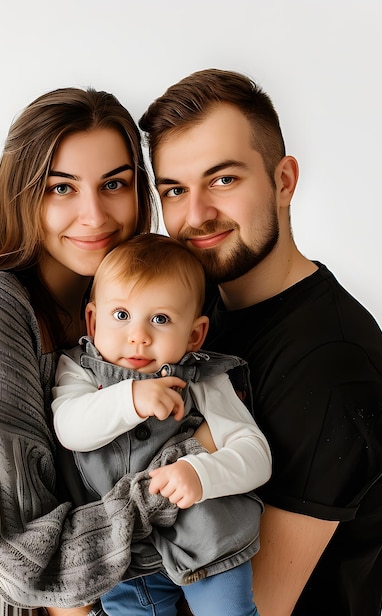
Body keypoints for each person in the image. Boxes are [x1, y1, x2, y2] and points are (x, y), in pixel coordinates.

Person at [0, 87, 203, 616]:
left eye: (115, 185)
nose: (94, 214)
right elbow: (25, 560)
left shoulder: (128, 317)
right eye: (62, 188)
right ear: (23, 195)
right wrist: (172, 482)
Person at [139, 68, 382, 616]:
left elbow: (250, 607)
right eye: (174, 189)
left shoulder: (333, 366)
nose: (196, 215)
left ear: (283, 180)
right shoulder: (198, 312)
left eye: (223, 180)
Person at [52, 233, 272, 616]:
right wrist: (129, 399)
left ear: (194, 334)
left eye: (160, 318)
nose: (138, 336)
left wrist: (200, 473)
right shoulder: (80, 371)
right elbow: (70, 428)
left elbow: (255, 454)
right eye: (121, 315)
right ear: (92, 318)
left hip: (207, 539)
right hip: (123, 552)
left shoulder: (203, 378)